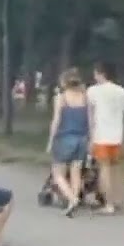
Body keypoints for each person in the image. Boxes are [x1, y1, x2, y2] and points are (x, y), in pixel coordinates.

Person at [87, 61, 124, 214]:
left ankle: (108, 204)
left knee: (104, 169)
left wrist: (91, 137)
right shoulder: (121, 91)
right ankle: (117, 199)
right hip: (117, 135)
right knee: (116, 169)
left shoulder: (93, 91)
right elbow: (123, 111)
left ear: (101, 73)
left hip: (101, 135)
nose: (94, 76)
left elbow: (91, 116)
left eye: (96, 73)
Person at [46, 69, 90, 217]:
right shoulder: (85, 97)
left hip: (65, 138)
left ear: (64, 82)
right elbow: (90, 120)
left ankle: (73, 199)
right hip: (82, 138)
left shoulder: (61, 98)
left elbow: (56, 120)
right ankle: (73, 200)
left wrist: (51, 140)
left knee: (58, 173)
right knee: (76, 172)